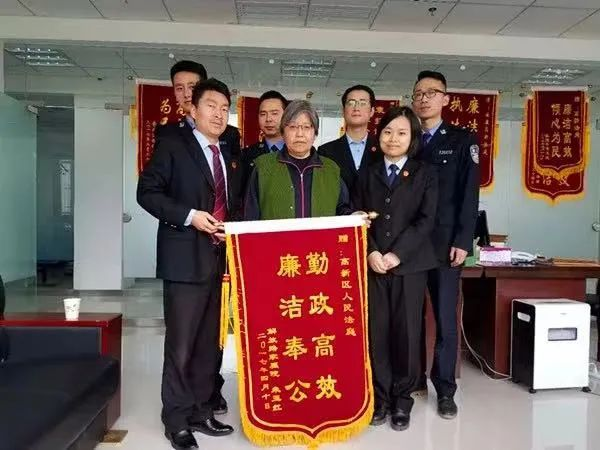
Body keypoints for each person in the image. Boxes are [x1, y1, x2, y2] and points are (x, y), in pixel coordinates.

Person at [137, 78, 236, 450]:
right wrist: (190, 216)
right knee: (180, 346)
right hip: (184, 262)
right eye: (211, 106)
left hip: (219, 262)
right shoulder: (173, 147)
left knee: (210, 344)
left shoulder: (227, 153)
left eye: (224, 108)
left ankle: (200, 410)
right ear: (193, 109)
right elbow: (147, 193)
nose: (219, 114)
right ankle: (176, 420)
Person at [353, 106, 438, 431]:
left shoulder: (425, 173)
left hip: (409, 267)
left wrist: (397, 254)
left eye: (401, 133)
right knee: (377, 334)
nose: (393, 139)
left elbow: (426, 220)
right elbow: (358, 216)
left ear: (412, 138)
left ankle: (403, 400)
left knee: (406, 335)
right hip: (374, 266)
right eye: (388, 132)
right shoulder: (367, 173)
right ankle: (380, 399)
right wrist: (371, 251)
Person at [412, 70, 480, 419]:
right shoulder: (405, 138)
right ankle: (411, 383)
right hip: (409, 247)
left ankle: (445, 390)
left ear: (445, 99)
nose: (424, 99)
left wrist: (463, 241)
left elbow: (469, 195)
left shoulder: (461, 140)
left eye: (431, 92)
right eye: (418, 93)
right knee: (409, 319)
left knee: (445, 321)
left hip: (444, 248)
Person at [244, 100, 353, 220]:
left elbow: (342, 209)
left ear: (315, 134)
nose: (300, 134)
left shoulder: (331, 169)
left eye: (306, 127)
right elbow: (250, 216)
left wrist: (355, 217)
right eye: (293, 127)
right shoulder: (263, 167)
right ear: (283, 132)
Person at [318, 84, 382, 193]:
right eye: (351, 103)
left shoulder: (383, 149)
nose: (356, 108)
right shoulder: (326, 151)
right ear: (343, 110)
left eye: (362, 103)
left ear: (372, 111)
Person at [240, 90, 289, 192]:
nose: (268, 119)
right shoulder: (246, 155)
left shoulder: (297, 152)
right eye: (263, 114)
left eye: (274, 113)